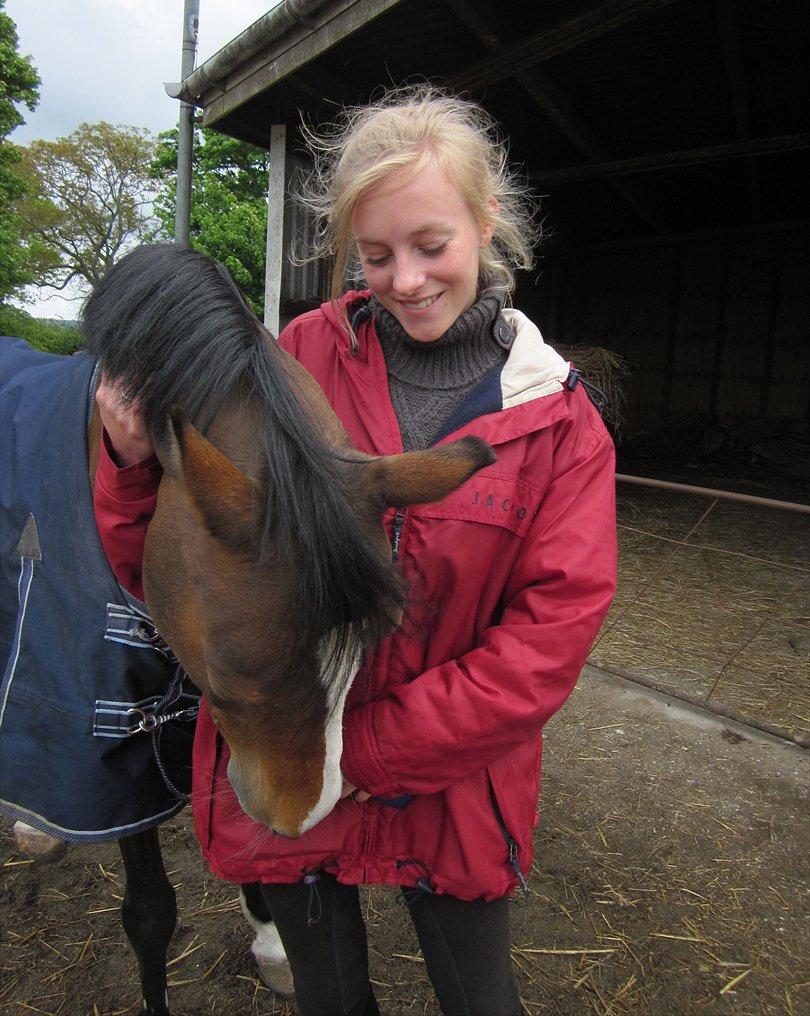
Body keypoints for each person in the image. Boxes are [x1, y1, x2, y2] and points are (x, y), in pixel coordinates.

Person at [96, 86, 617, 1016]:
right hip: (293, 764)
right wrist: (131, 467)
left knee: (478, 1000)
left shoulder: (562, 427)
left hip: (449, 781)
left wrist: (360, 752)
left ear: (486, 220)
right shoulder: (300, 359)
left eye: (431, 246)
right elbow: (179, 574)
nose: (405, 279)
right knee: (328, 1001)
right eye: (373, 256)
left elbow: (545, 646)